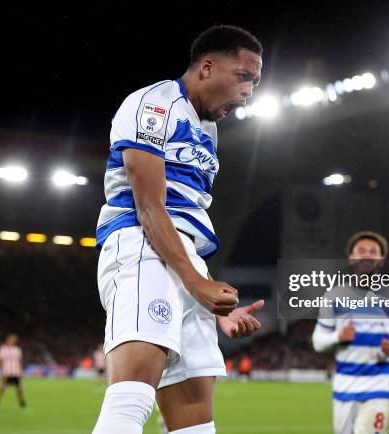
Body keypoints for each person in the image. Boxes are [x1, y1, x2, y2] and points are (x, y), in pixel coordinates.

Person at [92, 25, 264, 434]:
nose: (249, 92)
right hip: (140, 246)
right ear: (206, 67)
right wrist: (195, 283)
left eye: (255, 83)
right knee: (131, 401)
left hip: (182, 258)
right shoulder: (153, 104)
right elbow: (149, 206)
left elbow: (188, 216)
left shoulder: (208, 131)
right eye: (243, 77)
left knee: (195, 426)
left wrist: (205, 296)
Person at [312, 231, 389, 434]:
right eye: (361, 251)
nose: (367, 255)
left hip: (379, 383)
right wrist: (338, 337)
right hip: (345, 386)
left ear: (382, 260)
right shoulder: (333, 296)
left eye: (373, 251)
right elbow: (318, 340)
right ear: (351, 257)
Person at [0, 334, 27, 411]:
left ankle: (23, 406)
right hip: (6, 373)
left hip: (16, 373)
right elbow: (0, 361)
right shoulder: (3, 349)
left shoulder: (17, 350)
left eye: (14, 340)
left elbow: (19, 361)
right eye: (11, 340)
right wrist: (1, 372)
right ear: (7, 340)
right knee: (1, 389)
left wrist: (20, 372)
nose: (13, 341)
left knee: (19, 390)